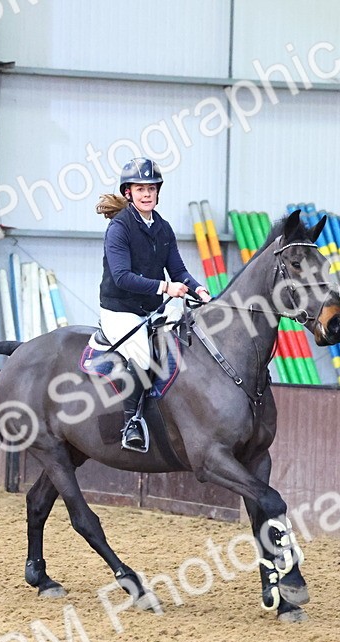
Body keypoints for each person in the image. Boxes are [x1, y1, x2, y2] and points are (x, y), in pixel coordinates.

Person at [97, 157, 211, 452]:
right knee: (144, 355)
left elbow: (179, 271)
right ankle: (131, 423)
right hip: (120, 310)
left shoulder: (163, 227)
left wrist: (199, 289)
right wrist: (165, 287)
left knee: (187, 337)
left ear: (157, 192)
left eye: (151, 188)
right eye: (140, 189)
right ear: (128, 193)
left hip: (152, 308)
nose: (147, 194)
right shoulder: (119, 228)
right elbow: (122, 277)